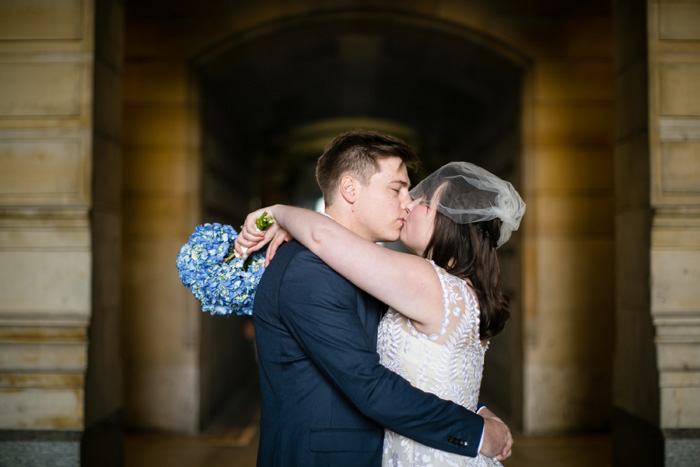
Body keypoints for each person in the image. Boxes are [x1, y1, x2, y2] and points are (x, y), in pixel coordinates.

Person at [236, 131, 514, 466]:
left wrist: (279, 214)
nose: (408, 202)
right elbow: (370, 384)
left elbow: (415, 368)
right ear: (350, 189)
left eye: (417, 197)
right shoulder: (307, 269)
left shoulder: (396, 274)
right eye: (397, 189)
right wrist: (476, 428)